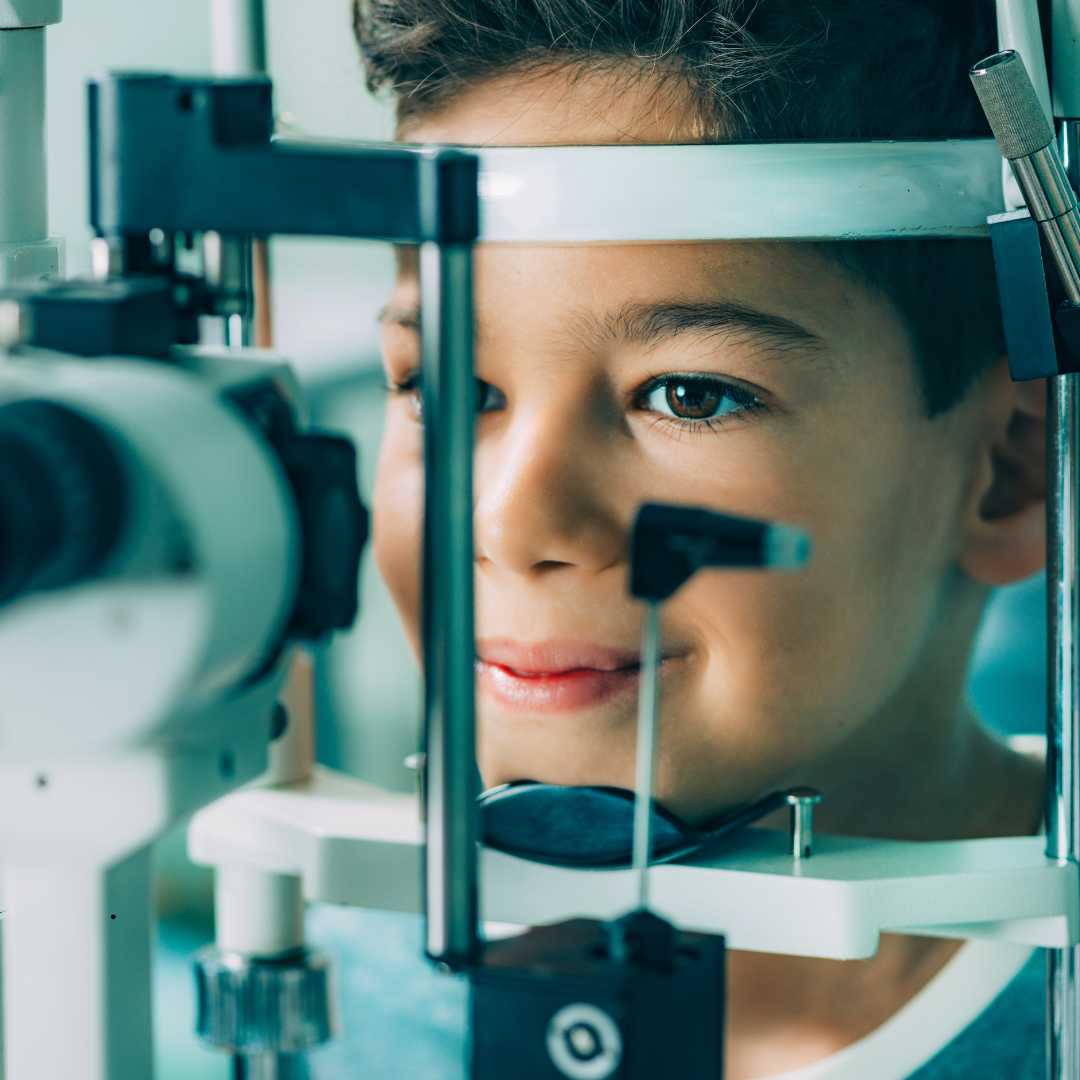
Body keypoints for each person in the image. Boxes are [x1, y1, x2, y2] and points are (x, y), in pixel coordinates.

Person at [355, 1, 1048, 1076]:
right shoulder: (345, 992)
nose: (512, 522)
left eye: (689, 394)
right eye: (446, 386)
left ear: (1011, 473)